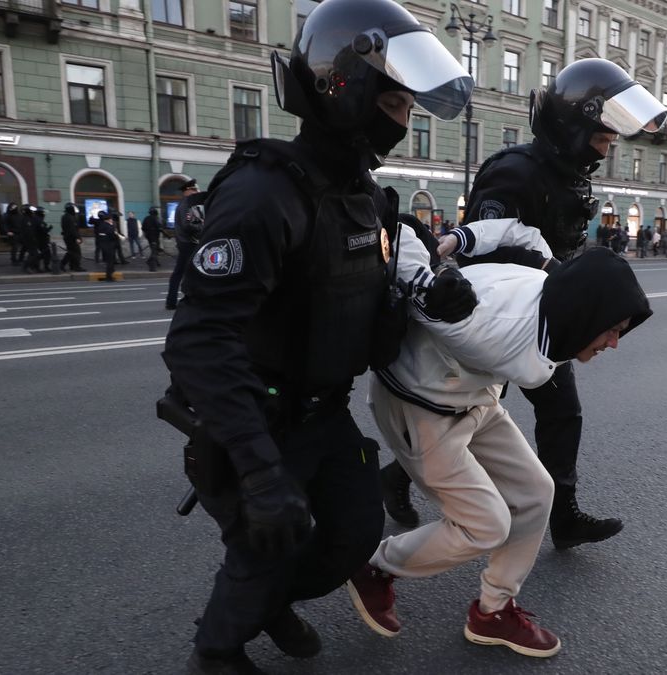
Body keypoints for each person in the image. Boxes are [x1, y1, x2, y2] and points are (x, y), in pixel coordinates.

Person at [160, 0, 474, 671]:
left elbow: (358, 310)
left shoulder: (364, 196)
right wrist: (259, 469)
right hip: (257, 418)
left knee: (351, 536)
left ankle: (268, 603)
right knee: (267, 545)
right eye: (394, 103)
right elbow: (198, 342)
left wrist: (426, 299)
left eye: (408, 106)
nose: (404, 121)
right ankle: (217, 650)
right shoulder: (263, 194)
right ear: (344, 88)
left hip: (325, 412)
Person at [376, 58, 666, 549]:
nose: (608, 145)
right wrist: (555, 277)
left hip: (549, 313)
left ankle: (559, 513)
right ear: (573, 126)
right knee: (487, 411)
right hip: (510, 318)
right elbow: (489, 250)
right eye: (602, 135)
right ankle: (408, 479)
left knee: (532, 412)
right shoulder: (515, 173)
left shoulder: (567, 170)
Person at [349, 239, 652, 658]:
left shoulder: (554, 302)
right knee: (485, 525)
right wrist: (431, 279)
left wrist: (462, 243)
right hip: (419, 406)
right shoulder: (490, 325)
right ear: (588, 314)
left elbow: (515, 233)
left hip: (472, 396)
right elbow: (403, 249)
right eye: (612, 329)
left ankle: (492, 612)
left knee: (536, 492)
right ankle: (374, 567)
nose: (615, 343)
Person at [165, 180, 203, 309]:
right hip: (188, 242)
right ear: (187, 191)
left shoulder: (187, 204)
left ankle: (171, 301)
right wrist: (202, 228)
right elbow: (187, 226)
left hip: (185, 242)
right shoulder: (186, 205)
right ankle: (191, 300)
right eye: (194, 190)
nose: (196, 192)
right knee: (192, 272)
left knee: (179, 272)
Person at [58, 203, 85, 272]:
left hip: (68, 237)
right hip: (71, 238)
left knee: (71, 252)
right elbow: (72, 229)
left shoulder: (65, 216)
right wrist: (77, 238)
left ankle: (72, 266)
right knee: (76, 253)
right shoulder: (70, 217)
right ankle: (75, 266)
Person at [93, 210, 118, 281]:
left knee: (109, 260)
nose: (112, 220)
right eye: (111, 219)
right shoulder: (108, 226)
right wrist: (116, 235)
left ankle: (111, 272)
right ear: (108, 220)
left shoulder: (102, 225)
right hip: (108, 245)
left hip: (105, 244)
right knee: (110, 261)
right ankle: (109, 276)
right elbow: (112, 235)